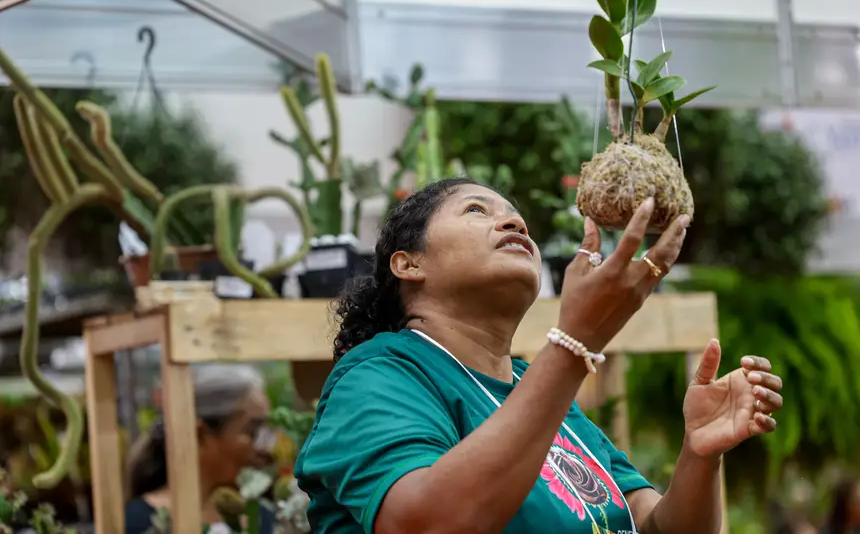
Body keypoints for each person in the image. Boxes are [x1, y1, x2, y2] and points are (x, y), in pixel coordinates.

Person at [295, 177, 785, 534]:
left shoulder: (541, 390)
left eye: (514, 215)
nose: (514, 221)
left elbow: (655, 528)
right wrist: (575, 343)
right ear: (409, 263)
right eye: (475, 210)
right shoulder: (379, 377)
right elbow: (427, 523)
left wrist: (699, 454)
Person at [125, 364, 277, 534]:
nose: (265, 446)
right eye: (253, 431)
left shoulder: (265, 518)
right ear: (200, 434)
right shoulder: (138, 524)